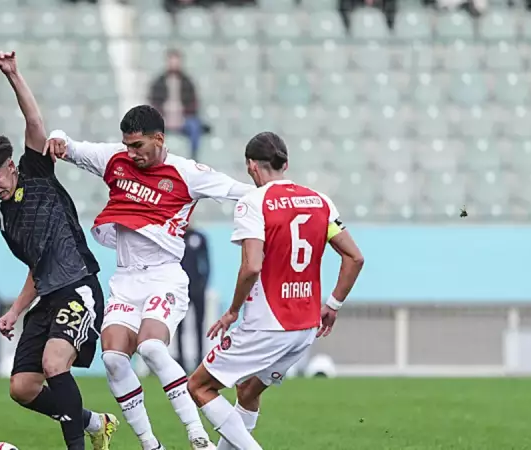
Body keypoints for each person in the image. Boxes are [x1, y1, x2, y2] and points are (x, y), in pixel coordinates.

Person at [44, 105, 254, 450]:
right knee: (112, 358)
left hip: (165, 276)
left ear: (159, 139)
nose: (131, 153)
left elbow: (237, 190)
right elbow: (70, 145)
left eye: (138, 146)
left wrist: (284, 197)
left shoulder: (188, 173)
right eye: (127, 145)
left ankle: (196, 433)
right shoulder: (114, 159)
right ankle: (150, 443)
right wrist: (57, 137)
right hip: (125, 280)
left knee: (153, 347)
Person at [0, 50, 118, 450]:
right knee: (22, 387)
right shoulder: (7, 221)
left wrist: (14, 76)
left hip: (79, 287)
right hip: (48, 296)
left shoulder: (35, 172)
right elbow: (37, 268)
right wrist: (15, 311)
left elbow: (34, 122)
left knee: (55, 365)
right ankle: (93, 423)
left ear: (11, 167)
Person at [186, 132, 365, 450]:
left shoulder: (253, 203)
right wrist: (333, 304)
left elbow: (252, 266)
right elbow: (355, 256)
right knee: (248, 392)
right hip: (305, 328)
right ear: (285, 163)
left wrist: (232, 311)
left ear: (251, 166)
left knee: (199, 386)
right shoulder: (320, 201)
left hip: (266, 325)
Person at [148, 49, 204, 161]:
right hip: (163, 117)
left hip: (184, 117)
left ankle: (194, 159)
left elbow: (194, 103)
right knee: (150, 129)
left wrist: (182, 113)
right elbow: (153, 103)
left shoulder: (187, 82)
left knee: (195, 127)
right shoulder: (158, 81)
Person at [176, 225, 211, 371]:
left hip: (197, 288)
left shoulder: (199, 237)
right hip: (180, 290)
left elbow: (206, 262)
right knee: (179, 326)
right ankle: (181, 361)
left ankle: (200, 359)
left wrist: (203, 283)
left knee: (199, 324)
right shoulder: (175, 237)